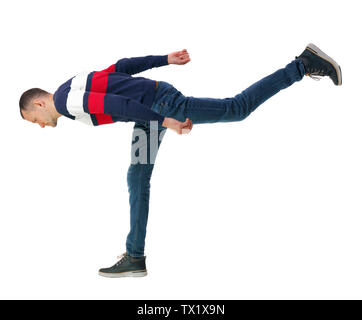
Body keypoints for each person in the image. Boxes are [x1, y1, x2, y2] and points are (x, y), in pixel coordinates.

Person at [19, 44, 342, 278]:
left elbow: (118, 100)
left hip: (159, 106)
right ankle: (134, 257)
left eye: (33, 119)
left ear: (37, 103)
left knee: (236, 108)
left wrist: (166, 119)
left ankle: (301, 65)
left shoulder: (66, 100)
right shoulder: (71, 85)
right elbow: (120, 67)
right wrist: (164, 59)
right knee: (137, 179)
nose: (40, 126)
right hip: (150, 113)